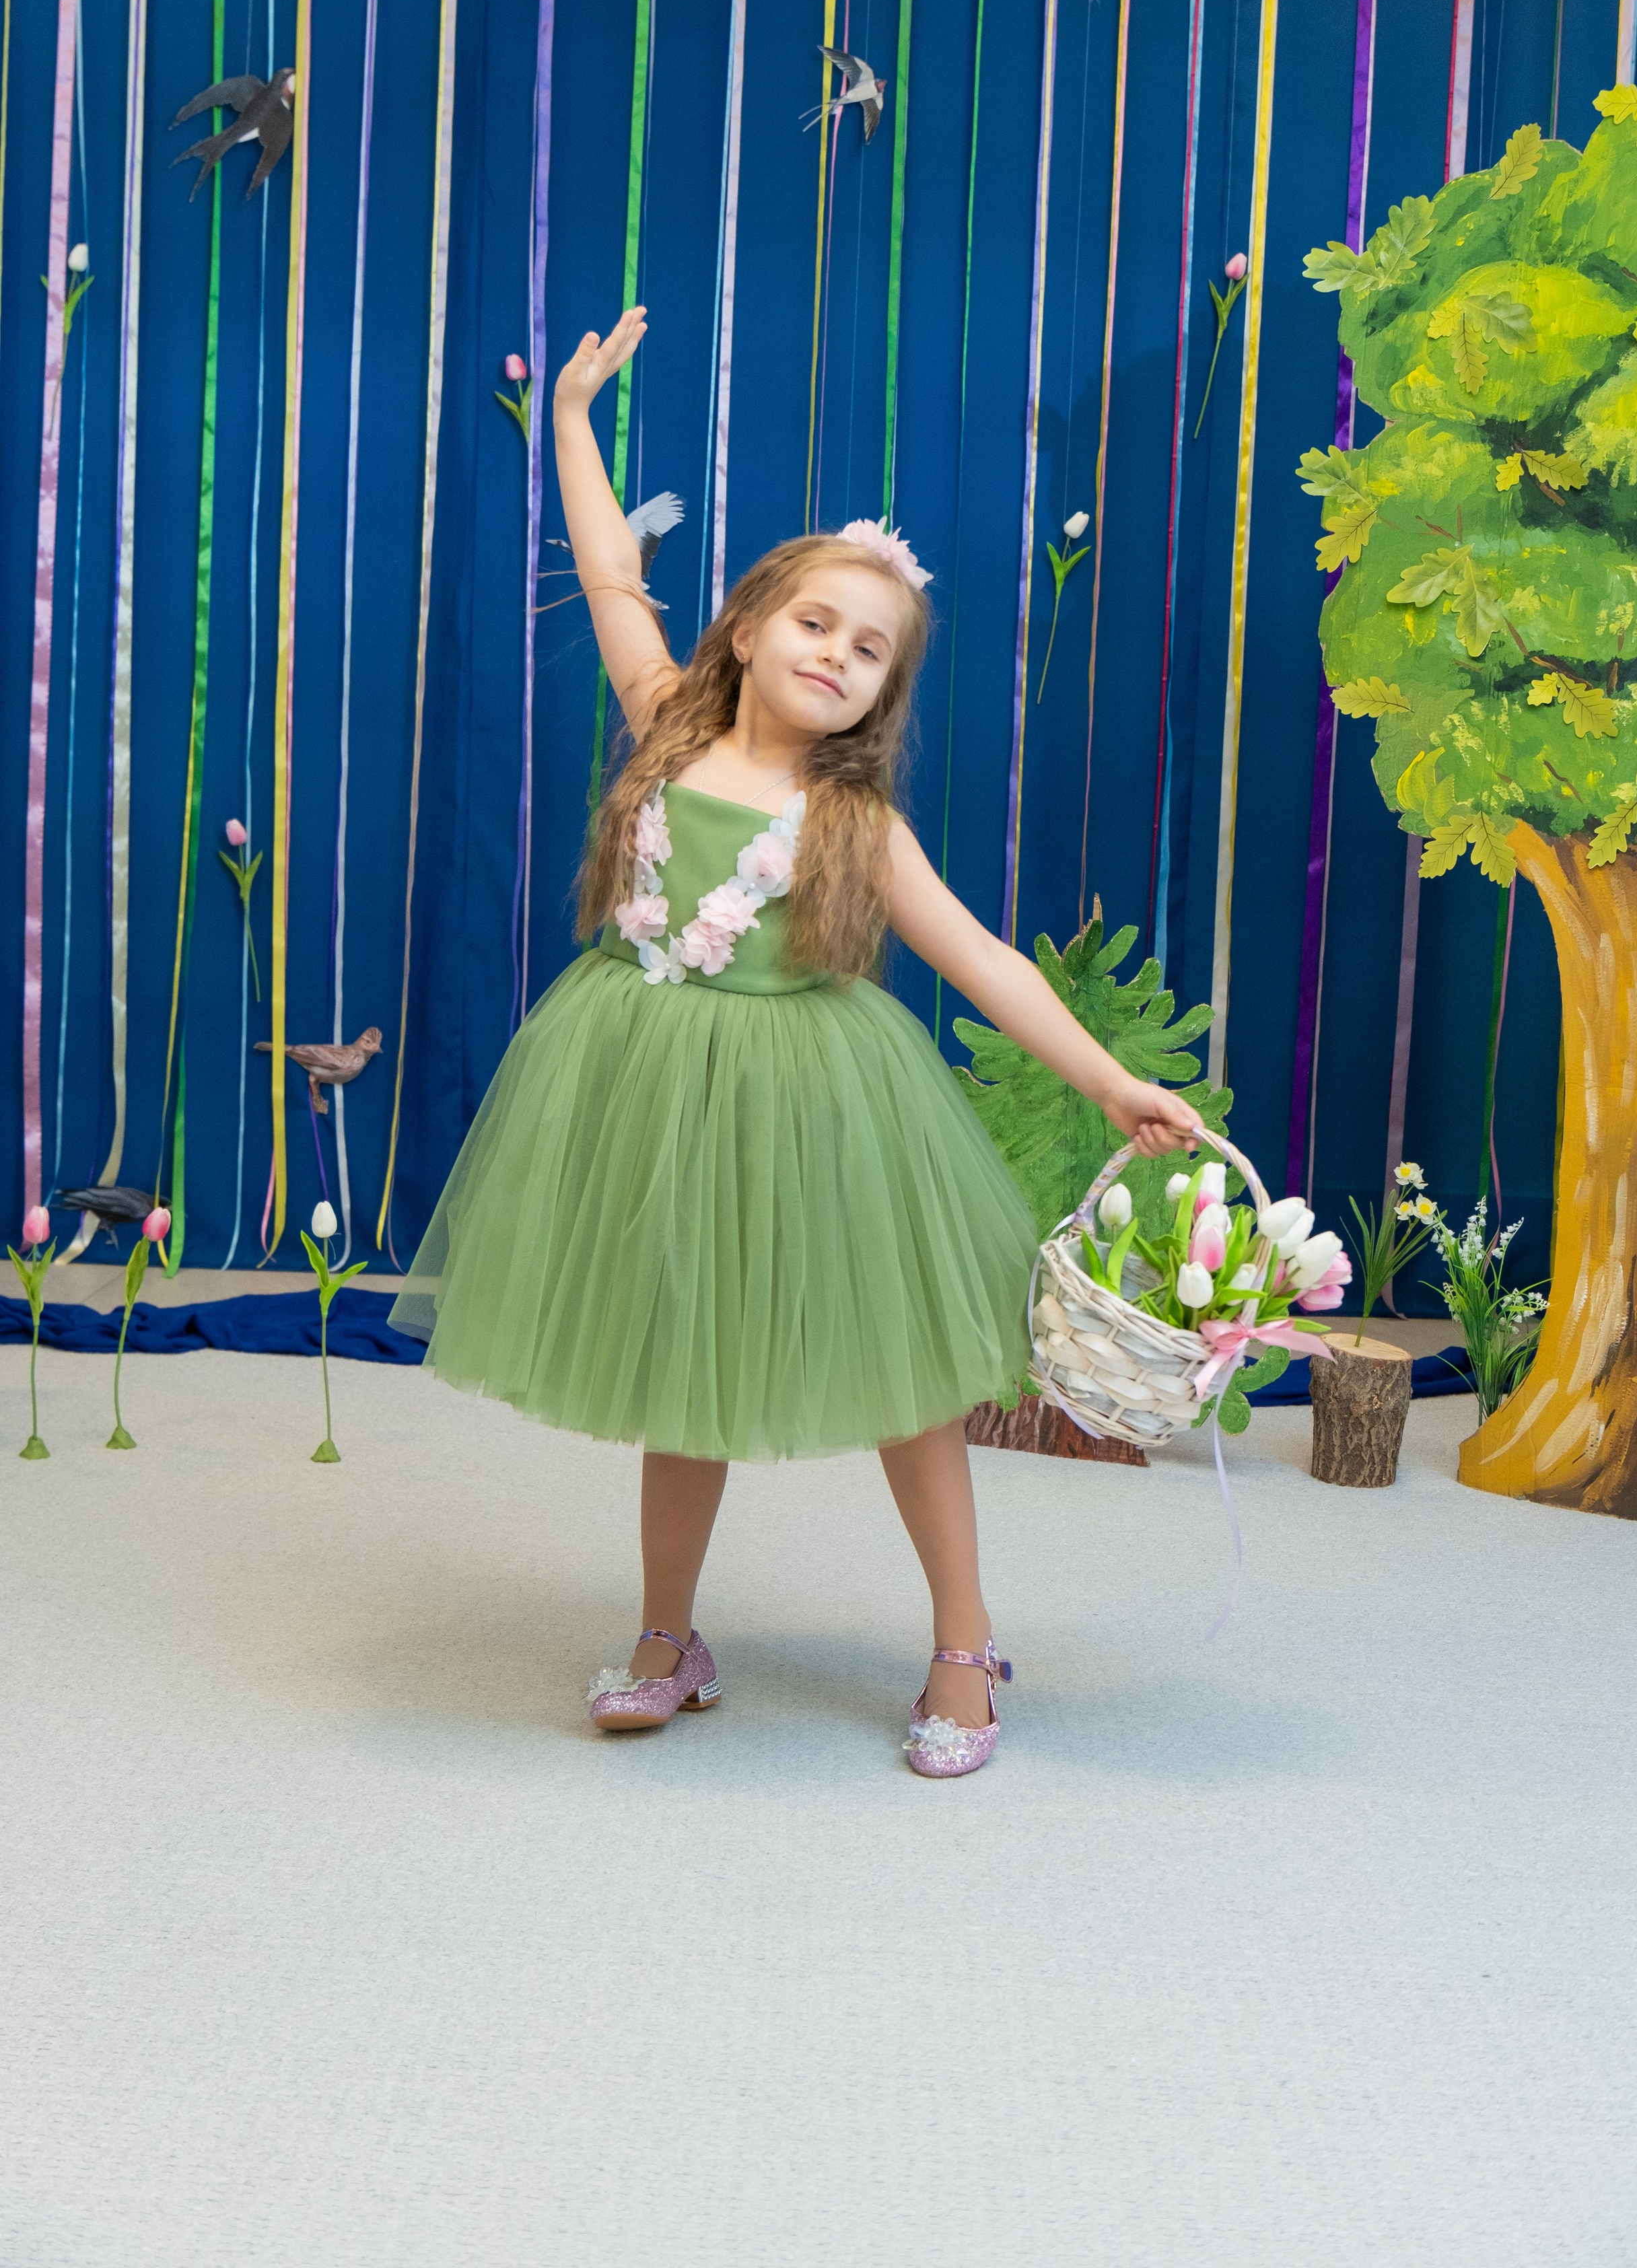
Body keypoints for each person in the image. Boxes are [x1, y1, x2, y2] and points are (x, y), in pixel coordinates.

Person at [392, 308, 1199, 1779]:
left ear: (886, 691)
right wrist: (573, 419)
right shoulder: (660, 728)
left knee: (903, 1382)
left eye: (870, 648)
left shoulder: (855, 826)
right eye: (816, 623)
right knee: (676, 1358)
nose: (836, 653)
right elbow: (606, 573)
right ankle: (666, 1633)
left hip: (813, 1098)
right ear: (752, 627)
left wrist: (1105, 1078)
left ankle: (963, 1641)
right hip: (642, 1080)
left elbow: (981, 962)